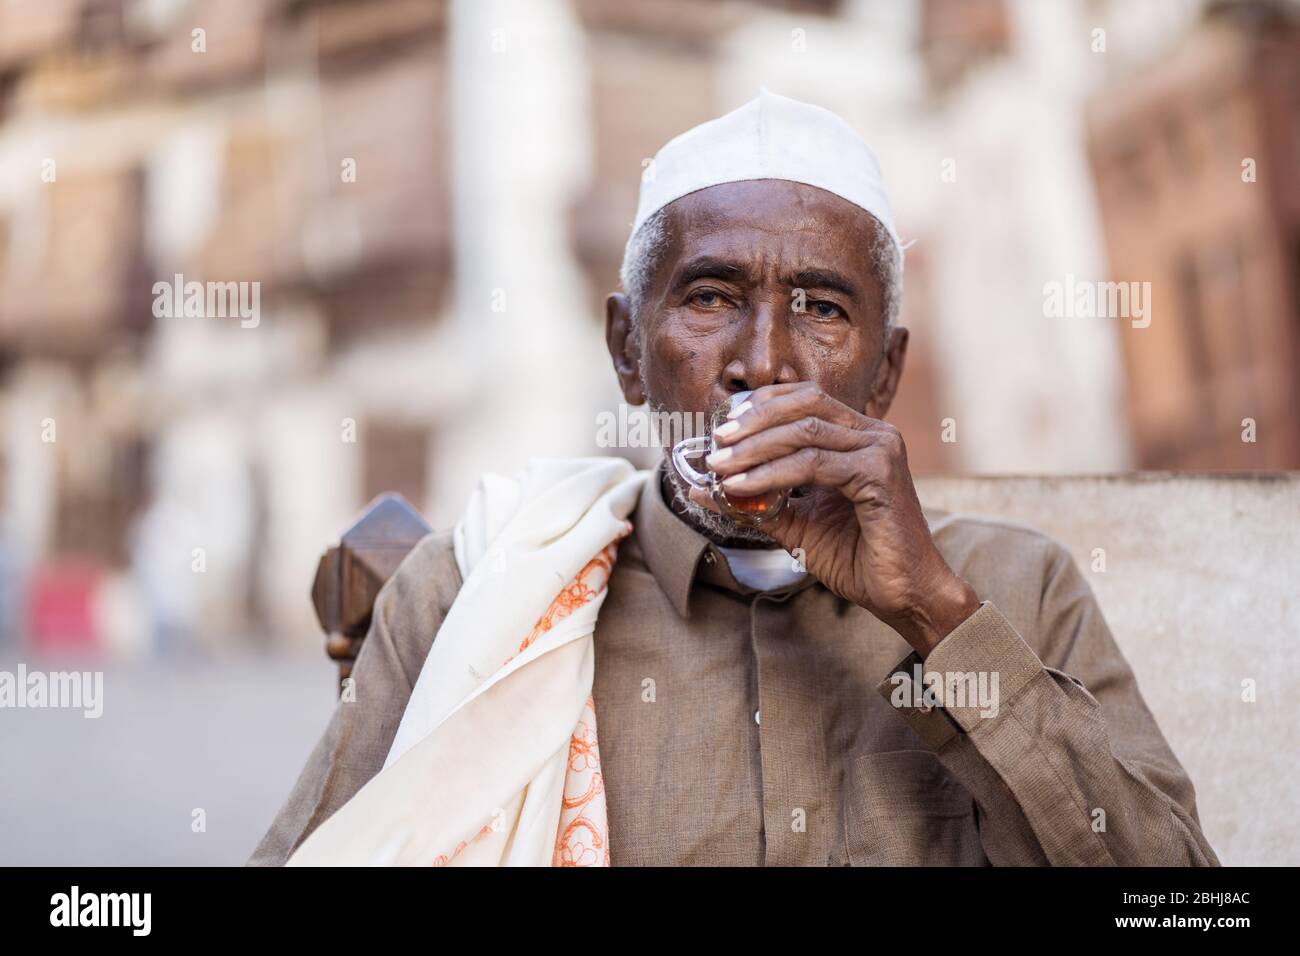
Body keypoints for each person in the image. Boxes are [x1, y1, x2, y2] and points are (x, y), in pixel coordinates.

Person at [250, 90, 1218, 867]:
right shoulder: (475, 593)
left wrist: (935, 616)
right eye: (711, 297)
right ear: (628, 349)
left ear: (884, 373)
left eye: (823, 310)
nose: (765, 361)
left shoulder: (1014, 590)